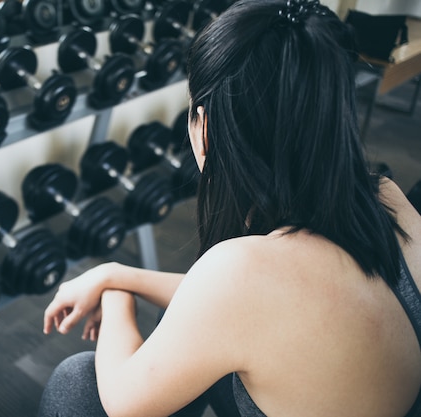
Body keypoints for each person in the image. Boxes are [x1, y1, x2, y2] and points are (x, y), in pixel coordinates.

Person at [37, 0, 421, 416]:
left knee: (77, 383)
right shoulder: (387, 197)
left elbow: (124, 404)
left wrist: (115, 300)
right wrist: (119, 274)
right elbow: (230, 305)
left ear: (204, 125)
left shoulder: (243, 273)